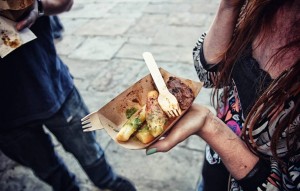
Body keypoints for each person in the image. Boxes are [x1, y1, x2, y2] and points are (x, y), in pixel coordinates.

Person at [146, 0, 299, 190]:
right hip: (213, 167)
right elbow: (209, 74)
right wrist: (229, 7)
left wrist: (210, 126)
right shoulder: (262, 5)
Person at [0, 0, 136, 191]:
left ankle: (108, 182)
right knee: (51, 173)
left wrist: (38, 7)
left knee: (90, 152)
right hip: (6, 119)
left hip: (51, 86)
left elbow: (64, 2)